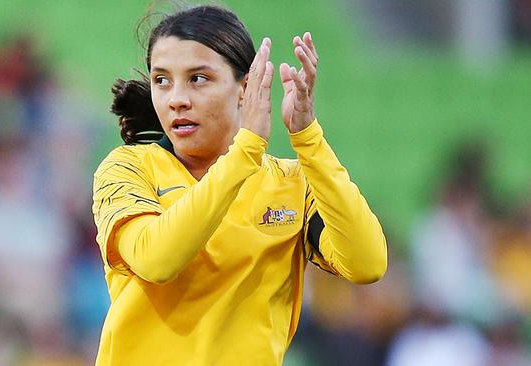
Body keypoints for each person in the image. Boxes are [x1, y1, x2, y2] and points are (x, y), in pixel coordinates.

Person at [92, 5, 387, 365]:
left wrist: (308, 137)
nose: (176, 99)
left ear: (246, 87)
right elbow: (157, 261)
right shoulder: (127, 169)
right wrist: (245, 151)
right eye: (162, 80)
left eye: (198, 78)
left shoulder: (292, 184)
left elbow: (367, 263)